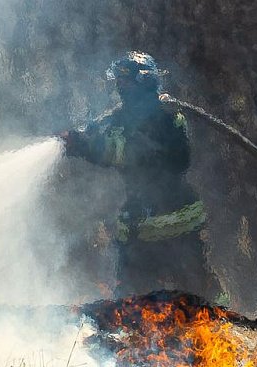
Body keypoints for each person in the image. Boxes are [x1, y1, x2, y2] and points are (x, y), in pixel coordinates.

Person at [61, 51, 226, 303]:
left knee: (199, 296)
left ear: (143, 81)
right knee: (132, 306)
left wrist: (84, 147)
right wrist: (78, 139)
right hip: (141, 221)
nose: (119, 87)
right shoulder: (125, 116)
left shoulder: (164, 117)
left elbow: (127, 153)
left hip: (173, 219)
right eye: (117, 81)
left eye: (124, 81)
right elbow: (112, 144)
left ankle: (226, 327)